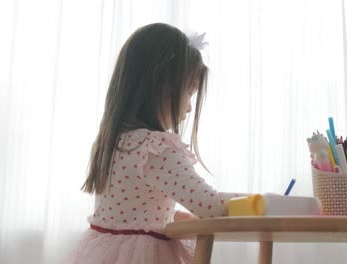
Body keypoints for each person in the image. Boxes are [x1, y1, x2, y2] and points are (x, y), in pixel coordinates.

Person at [64, 23, 248, 264]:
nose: (190, 107)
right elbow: (209, 204)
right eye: (189, 92)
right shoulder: (154, 147)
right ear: (164, 86)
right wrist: (263, 201)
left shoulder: (114, 143)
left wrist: (176, 216)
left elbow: (137, 212)